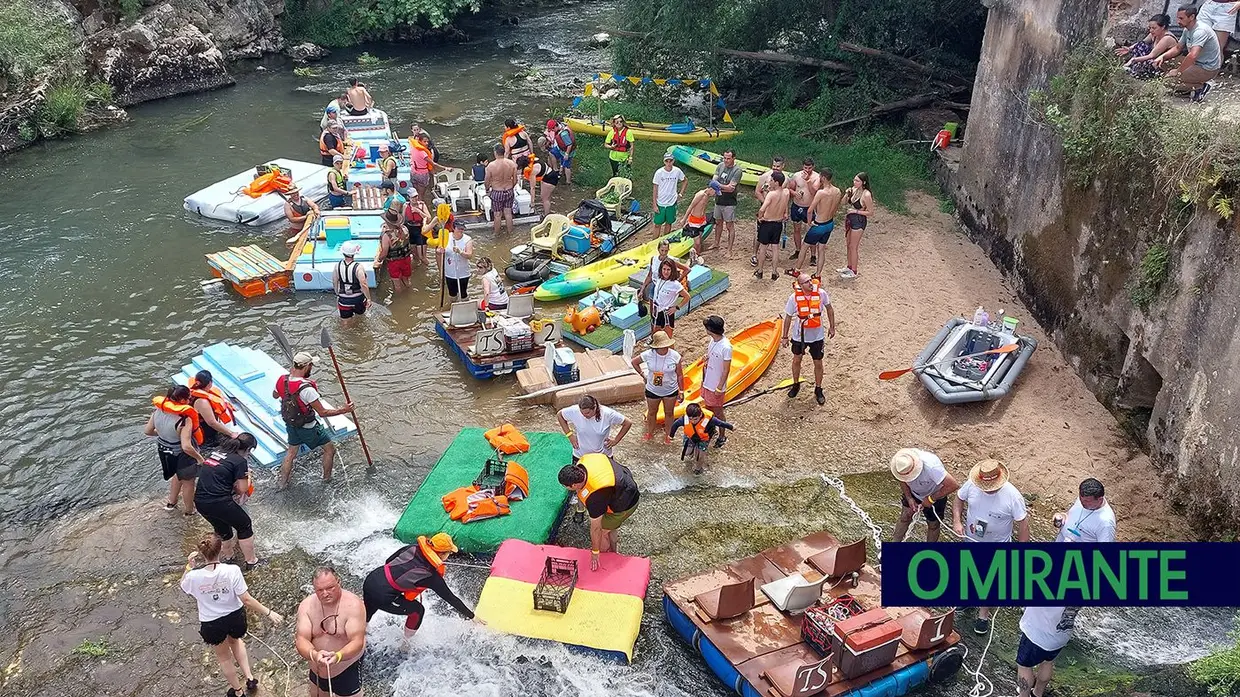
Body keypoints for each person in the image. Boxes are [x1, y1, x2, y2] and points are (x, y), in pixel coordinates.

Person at [181, 534, 283, 697]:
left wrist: (189, 567)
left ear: (201, 553)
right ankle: (249, 678)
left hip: (212, 622)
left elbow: (184, 586)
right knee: (236, 642)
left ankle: (237, 691)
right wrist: (269, 612)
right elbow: (246, 599)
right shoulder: (232, 570)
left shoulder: (194, 576)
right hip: (235, 617)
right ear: (221, 548)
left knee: (223, 658)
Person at [952, 459, 1029, 635]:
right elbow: (958, 499)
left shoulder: (1013, 496)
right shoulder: (971, 485)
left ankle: (983, 615)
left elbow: (1023, 525)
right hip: (971, 540)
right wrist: (957, 521)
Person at [362, 532, 478, 638]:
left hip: (371, 579)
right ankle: (406, 643)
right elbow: (451, 599)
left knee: (371, 604)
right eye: (449, 553)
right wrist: (472, 616)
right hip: (382, 595)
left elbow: (389, 561)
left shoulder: (412, 548)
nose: (449, 555)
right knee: (418, 610)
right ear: (442, 554)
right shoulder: (430, 576)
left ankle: (362, 628)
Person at [274, 352, 354, 488]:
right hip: (308, 427)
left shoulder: (283, 380)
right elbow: (323, 412)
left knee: (291, 453)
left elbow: (275, 395)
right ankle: (327, 479)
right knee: (330, 449)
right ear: (306, 366)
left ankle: (282, 484)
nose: (312, 368)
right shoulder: (307, 389)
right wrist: (343, 410)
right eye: (311, 365)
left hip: (291, 424)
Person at [558, 453, 640, 570]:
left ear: (574, 484)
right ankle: (614, 552)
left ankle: (606, 561)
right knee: (611, 529)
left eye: (566, 486)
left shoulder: (595, 497)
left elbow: (596, 528)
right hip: (624, 484)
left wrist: (595, 551)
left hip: (626, 505)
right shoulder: (584, 461)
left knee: (602, 533)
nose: (565, 488)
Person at [296, 566, 367, 697]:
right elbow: (301, 639)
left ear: (338, 582)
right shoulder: (306, 605)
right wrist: (314, 655)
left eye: (330, 588)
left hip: (345, 668)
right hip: (317, 667)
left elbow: (357, 641)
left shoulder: (353, 605)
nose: (325, 593)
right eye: (320, 590)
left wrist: (338, 656)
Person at [196, 434, 262, 568]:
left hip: (200, 501)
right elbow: (242, 489)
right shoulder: (239, 461)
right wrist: (249, 476)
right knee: (244, 525)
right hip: (219, 502)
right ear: (248, 449)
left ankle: (229, 557)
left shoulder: (216, 453)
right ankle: (251, 561)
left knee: (222, 529)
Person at [145, 385, 206, 514]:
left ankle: (171, 503)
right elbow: (186, 446)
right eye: (189, 398)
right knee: (188, 484)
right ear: (183, 401)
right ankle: (190, 511)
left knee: (177, 475)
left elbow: (148, 431)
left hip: (165, 451)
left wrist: (163, 433)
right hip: (182, 455)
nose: (190, 400)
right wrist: (200, 459)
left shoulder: (158, 411)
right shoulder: (185, 419)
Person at [780, 273, 837, 405]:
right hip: (799, 335)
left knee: (818, 362)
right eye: (806, 282)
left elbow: (829, 309)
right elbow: (788, 317)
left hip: (817, 335)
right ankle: (795, 384)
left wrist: (832, 327)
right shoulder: (793, 298)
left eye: (810, 280)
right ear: (800, 285)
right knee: (796, 360)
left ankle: (818, 388)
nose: (810, 283)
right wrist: (784, 336)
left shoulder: (821, 293)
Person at [889, 448, 960, 544]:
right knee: (905, 517)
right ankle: (894, 546)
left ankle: (929, 552)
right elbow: (901, 479)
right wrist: (909, 497)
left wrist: (931, 499)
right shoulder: (901, 463)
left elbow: (953, 485)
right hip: (913, 492)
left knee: (933, 525)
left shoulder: (932, 467)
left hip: (935, 494)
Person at [1153, 5, 1223, 101]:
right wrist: (1162, 57)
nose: (1178, 21)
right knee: (1164, 62)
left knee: (1167, 81)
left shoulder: (1200, 31)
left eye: (1181, 18)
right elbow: (1178, 48)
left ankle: (1201, 86)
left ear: (1192, 17)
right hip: (1195, 63)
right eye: (1178, 18)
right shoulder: (1187, 29)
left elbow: (1193, 55)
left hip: (1206, 68)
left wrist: (1178, 71)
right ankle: (1186, 88)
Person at [1016, 605, 1082, 697]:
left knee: (1024, 666)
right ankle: (1037, 693)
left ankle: (1023, 695)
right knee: (1047, 662)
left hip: (1037, 634)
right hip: (1061, 636)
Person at [631, 331, 684, 443]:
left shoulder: (675, 356)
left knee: (669, 413)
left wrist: (682, 390)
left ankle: (668, 435)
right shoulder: (648, 354)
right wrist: (643, 375)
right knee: (652, 412)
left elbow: (679, 374)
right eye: (661, 347)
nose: (664, 348)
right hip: (652, 389)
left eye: (666, 346)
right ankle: (650, 433)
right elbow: (634, 362)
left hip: (670, 389)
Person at [557, 394, 632, 463]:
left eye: (587, 413)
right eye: (582, 413)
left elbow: (627, 423)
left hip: (603, 456)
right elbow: (560, 415)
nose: (584, 416)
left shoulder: (608, 414)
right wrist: (570, 435)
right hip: (580, 455)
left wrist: (616, 440)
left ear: (595, 408)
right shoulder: (574, 411)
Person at [668, 403, 735, 475]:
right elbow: (675, 425)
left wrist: (731, 427)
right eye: (690, 419)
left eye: (695, 419)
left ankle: (698, 469)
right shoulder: (684, 419)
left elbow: (721, 423)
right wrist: (671, 435)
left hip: (703, 438)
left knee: (699, 456)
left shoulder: (710, 420)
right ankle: (692, 452)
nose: (693, 421)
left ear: (700, 415)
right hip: (690, 436)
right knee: (687, 453)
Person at [1053, 478, 1117, 543]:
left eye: (1087, 501)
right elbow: (1069, 514)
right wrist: (1062, 516)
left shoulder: (1106, 523)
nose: (1081, 502)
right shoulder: (1084, 498)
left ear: (1099, 499)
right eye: (1080, 498)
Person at [188, 370, 241, 448]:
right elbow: (212, 423)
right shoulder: (202, 402)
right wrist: (231, 433)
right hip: (206, 435)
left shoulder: (193, 392)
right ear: (210, 383)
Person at [805, 169, 843, 278]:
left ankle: (796, 269)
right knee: (821, 249)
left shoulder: (821, 193)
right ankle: (818, 274)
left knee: (804, 246)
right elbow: (836, 207)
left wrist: (809, 222)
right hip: (829, 223)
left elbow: (809, 210)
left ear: (823, 178)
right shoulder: (837, 191)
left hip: (819, 223)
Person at [1117, 14, 1179, 79]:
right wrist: (1130, 48)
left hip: (1161, 63)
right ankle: (1134, 68)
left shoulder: (1167, 38)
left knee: (1148, 60)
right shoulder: (1154, 34)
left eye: (1154, 28)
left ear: (1163, 27)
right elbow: (1142, 42)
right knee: (1141, 46)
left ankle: (1136, 70)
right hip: (1153, 59)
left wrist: (1133, 59)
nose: (1151, 30)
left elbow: (1152, 56)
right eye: (1150, 28)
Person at [751, 156, 788, 266]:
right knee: (759, 232)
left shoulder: (785, 179)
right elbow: (757, 192)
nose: (775, 168)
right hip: (765, 207)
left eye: (778, 166)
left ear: (783, 166)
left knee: (773, 238)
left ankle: (766, 255)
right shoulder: (765, 176)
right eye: (774, 166)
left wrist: (786, 212)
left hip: (778, 211)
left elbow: (785, 196)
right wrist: (766, 202)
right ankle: (754, 254)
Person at [755, 171, 790, 281]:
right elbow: (785, 206)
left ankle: (760, 271)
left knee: (763, 248)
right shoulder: (786, 192)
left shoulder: (771, 194)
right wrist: (785, 213)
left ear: (776, 182)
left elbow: (762, 209)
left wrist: (760, 217)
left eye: (771, 180)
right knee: (775, 248)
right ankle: (774, 272)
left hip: (767, 223)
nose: (770, 182)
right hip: (778, 223)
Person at [645, 258, 691, 340]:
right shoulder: (659, 279)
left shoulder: (675, 284)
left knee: (667, 339)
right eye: (664, 269)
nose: (666, 272)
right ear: (661, 269)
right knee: (656, 337)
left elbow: (687, 297)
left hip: (667, 313)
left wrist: (677, 307)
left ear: (672, 270)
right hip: (657, 311)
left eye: (668, 270)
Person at [839, 172, 873, 279]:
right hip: (851, 219)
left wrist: (856, 211)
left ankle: (854, 270)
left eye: (857, 181)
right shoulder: (853, 190)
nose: (855, 182)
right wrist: (847, 194)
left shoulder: (866, 195)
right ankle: (849, 266)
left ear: (863, 182)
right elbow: (843, 203)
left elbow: (871, 212)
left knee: (854, 246)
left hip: (859, 221)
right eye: (854, 180)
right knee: (849, 245)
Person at [700, 315, 732, 422]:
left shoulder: (726, 347)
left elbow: (726, 370)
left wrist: (719, 387)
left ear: (711, 330)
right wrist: (707, 357)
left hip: (715, 384)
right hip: (707, 380)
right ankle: (711, 428)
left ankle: (722, 434)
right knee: (708, 407)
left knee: (718, 412)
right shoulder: (712, 340)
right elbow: (712, 354)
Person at [712, 149, 744, 259]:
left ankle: (729, 250)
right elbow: (714, 180)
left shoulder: (737, 170)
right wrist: (721, 186)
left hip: (730, 201)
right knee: (718, 222)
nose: (726, 160)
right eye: (724, 158)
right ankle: (716, 243)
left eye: (728, 158)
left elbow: (731, 188)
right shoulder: (720, 166)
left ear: (733, 158)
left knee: (729, 225)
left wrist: (717, 186)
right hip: (719, 199)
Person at [788, 158, 820, 262]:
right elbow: (790, 189)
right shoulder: (796, 175)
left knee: (811, 231)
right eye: (805, 167)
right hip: (797, 206)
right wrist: (794, 194)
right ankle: (798, 250)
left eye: (809, 168)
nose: (807, 170)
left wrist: (807, 181)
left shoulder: (816, 177)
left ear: (813, 167)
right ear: (803, 167)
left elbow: (814, 192)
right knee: (796, 229)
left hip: (809, 208)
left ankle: (813, 255)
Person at [484, 144, 519, 235]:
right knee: (508, 213)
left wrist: (487, 190)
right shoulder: (512, 164)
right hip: (509, 190)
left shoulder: (491, 166)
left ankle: (496, 235)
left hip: (497, 192)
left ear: (495, 153)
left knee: (497, 215)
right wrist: (510, 187)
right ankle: (510, 233)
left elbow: (486, 181)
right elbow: (515, 180)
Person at [332, 242, 371, 321]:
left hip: (344, 300)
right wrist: (369, 298)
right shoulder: (358, 267)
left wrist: (337, 293)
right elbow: (363, 284)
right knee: (361, 319)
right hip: (358, 299)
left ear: (343, 253)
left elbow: (334, 281)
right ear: (354, 254)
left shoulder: (337, 266)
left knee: (345, 322)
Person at [375, 210, 413, 291]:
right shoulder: (405, 229)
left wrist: (379, 259)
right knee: (406, 280)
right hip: (406, 259)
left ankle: (400, 301)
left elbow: (384, 252)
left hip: (394, 262)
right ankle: (410, 293)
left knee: (397, 284)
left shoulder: (387, 235)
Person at [651, 153, 688, 236]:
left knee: (669, 223)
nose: (668, 162)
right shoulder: (659, 173)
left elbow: (685, 180)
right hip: (660, 202)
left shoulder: (677, 171)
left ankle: (665, 240)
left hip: (671, 202)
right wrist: (654, 204)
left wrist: (681, 194)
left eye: (670, 160)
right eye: (667, 161)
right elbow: (655, 188)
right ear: (664, 162)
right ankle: (654, 242)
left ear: (673, 161)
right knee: (657, 224)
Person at [674, 186, 713, 254]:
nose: (715, 194)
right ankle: (694, 255)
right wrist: (684, 219)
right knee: (697, 243)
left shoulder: (707, 195)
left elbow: (703, 207)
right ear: (710, 189)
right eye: (715, 192)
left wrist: (704, 217)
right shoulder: (700, 195)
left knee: (700, 240)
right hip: (694, 221)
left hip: (701, 220)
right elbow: (691, 206)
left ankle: (698, 254)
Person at [441, 222, 474, 301]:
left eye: (462, 229)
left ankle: (466, 306)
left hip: (463, 273)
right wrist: (439, 251)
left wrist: (460, 252)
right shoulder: (446, 236)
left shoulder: (467, 239)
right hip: (450, 272)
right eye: (459, 228)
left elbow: (469, 255)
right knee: (452, 294)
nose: (461, 230)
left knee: (463, 294)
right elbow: (439, 253)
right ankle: (452, 306)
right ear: (453, 228)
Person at [408, 132, 438, 201]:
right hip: (422, 174)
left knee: (416, 191)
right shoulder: (423, 153)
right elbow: (433, 164)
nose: (426, 143)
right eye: (425, 141)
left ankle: (416, 203)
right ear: (420, 141)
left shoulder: (413, 149)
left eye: (427, 141)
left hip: (414, 172)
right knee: (421, 194)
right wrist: (445, 168)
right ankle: (421, 204)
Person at [402, 196, 431, 268]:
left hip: (420, 231)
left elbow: (429, 219)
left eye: (416, 196)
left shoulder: (422, 205)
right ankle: (420, 270)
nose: (415, 199)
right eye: (412, 197)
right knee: (415, 256)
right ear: (408, 197)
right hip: (411, 231)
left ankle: (429, 269)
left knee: (422, 257)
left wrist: (418, 211)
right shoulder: (405, 206)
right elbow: (402, 219)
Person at [545, 118, 575, 184]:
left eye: (553, 129)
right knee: (551, 153)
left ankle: (568, 182)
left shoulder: (564, 134)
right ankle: (556, 170)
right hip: (560, 148)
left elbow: (569, 145)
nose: (552, 131)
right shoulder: (560, 126)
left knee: (566, 166)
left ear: (556, 126)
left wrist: (566, 154)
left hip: (568, 150)